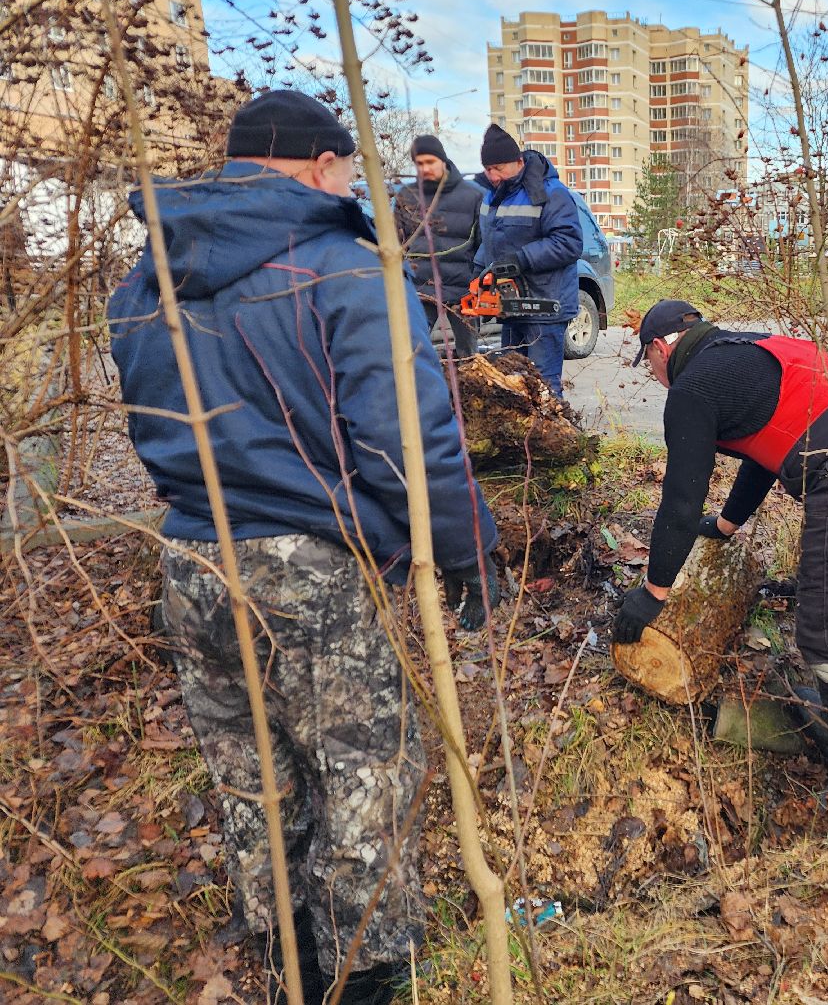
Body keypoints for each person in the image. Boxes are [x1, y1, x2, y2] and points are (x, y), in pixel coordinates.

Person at [107, 89, 499, 1005]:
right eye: (350, 171)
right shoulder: (348, 269)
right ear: (323, 164)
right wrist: (464, 551)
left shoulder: (145, 277)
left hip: (191, 557)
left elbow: (148, 417)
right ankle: (361, 979)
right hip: (308, 564)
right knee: (363, 773)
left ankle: (290, 961)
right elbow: (408, 440)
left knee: (254, 776)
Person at [612, 300, 828, 807]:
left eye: (648, 363)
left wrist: (652, 593)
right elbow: (764, 451)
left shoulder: (692, 388)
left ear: (659, 348)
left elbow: (680, 496)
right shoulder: (750, 349)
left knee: (827, 627)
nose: (652, 374)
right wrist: (727, 525)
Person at [472, 124, 582, 396]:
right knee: (512, 381)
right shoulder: (492, 196)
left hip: (546, 304)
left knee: (542, 385)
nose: (493, 175)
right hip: (512, 304)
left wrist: (521, 259)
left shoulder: (551, 193)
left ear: (519, 162)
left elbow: (569, 243)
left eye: (499, 168)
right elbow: (488, 242)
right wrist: (477, 275)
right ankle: (524, 439)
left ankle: (555, 436)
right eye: (488, 169)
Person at [392, 133, 483, 357]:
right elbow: (397, 242)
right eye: (419, 163)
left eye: (430, 162)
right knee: (414, 352)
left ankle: (468, 393)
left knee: (469, 355)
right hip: (422, 288)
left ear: (443, 160)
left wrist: (477, 280)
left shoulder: (473, 196)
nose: (425, 168)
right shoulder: (408, 196)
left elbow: (483, 243)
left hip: (463, 290)